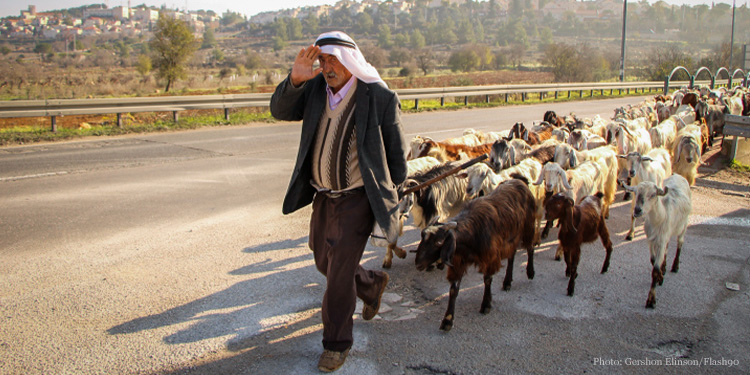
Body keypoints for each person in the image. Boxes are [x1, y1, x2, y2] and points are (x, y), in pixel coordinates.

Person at [270, 31, 408, 372]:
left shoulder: (378, 96)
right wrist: (295, 80)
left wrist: (393, 191)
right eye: (322, 61)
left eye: (332, 60)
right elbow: (280, 111)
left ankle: (336, 344)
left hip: (358, 198)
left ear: (350, 60)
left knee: (337, 275)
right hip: (323, 196)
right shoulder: (316, 90)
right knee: (324, 261)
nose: (326, 67)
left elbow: (397, 154)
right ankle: (371, 284)